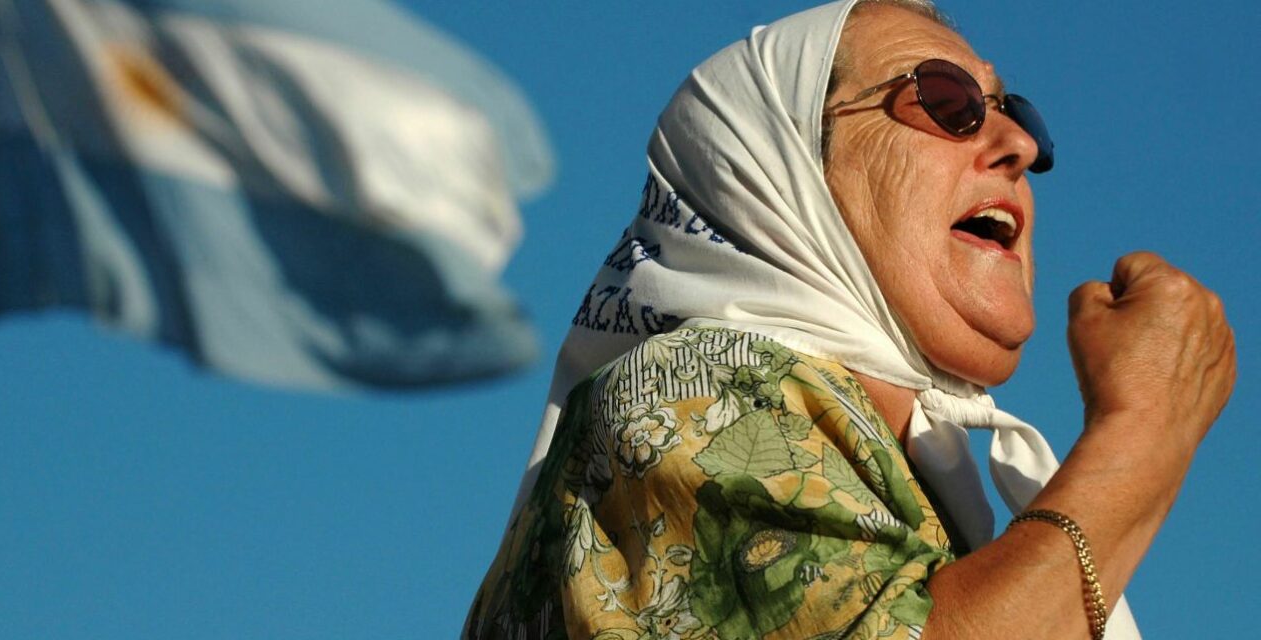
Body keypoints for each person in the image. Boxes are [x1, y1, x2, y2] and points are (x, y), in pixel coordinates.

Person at [465, 1, 1236, 638]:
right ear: (781, 169)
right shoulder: (686, 390)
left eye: (1016, 111)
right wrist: (1146, 430)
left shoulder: (916, 483)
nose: (1021, 146)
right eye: (946, 101)